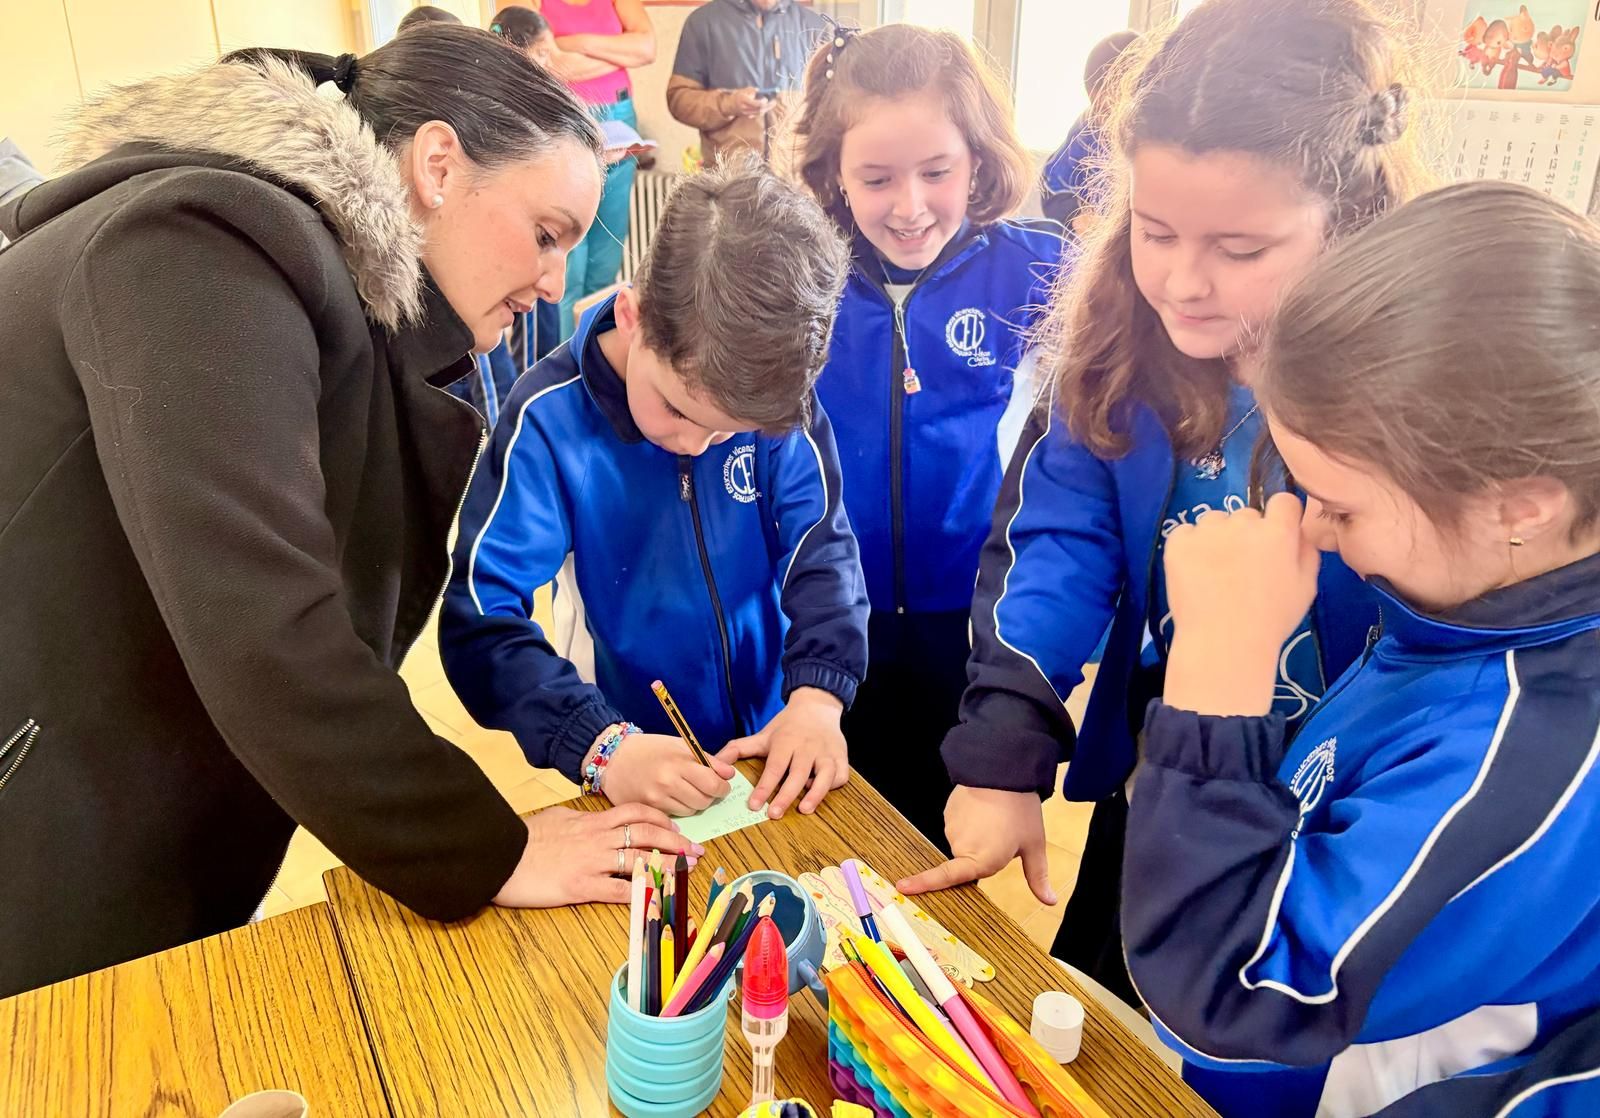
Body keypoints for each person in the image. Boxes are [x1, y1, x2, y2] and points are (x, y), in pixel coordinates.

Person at [0, 26, 698, 1001]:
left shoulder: (298, 266)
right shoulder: (197, 243)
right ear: (439, 163)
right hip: (41, 812)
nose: (552, 282)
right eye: (546, 233)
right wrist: (485, 849)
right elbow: (265, 627)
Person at [897, 0, 1435, 1009]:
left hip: (1357, 816)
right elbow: (1052, 553)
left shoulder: (1412, 380)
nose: (1182, 283)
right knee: (1115, 1019)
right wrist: (1005, 752)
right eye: (1154, 233)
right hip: (1171, 778)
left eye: (1240, 250)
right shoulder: (1121, 356)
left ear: (1350, 219)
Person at [1128, 180, 1600, 1118]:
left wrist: (1217, 673)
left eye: (1341, 506)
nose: (1320, 533)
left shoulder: (1531, 743)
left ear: (1518, 507)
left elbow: (1229, 988)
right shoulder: (1464, 604)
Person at [440, 160, 868, 822]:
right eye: (677, 409)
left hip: (769, 743)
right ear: (633, 316)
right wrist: (601, 745)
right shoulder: (549, 418)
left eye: (731, 433)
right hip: (625, 756)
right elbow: (481, 619)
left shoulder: (776, 399)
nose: (697, 443)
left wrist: (817, 697)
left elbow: (823, 552)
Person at [787, 24, 1064, 849]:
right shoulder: (803, 271)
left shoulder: (1036, 269)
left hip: (971, 618)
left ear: (977, 160)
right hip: (835, 617)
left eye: (937, 172)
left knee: (939, 837)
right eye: (876, 179)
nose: (910, 207)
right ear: (834, 174)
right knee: (839, 824)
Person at [535, 0, 656, 341]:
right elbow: (547, 62)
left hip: (618, 118)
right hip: (562, 122)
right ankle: (562, 366)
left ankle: (591, 353)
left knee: (607, 256)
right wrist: (616, 52)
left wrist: (576, 43)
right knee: (567, 263)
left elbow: (647, 48)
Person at [667, 0, 827, 168]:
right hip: (729, 181)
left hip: (795, 182)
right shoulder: (703, 22)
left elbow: (829, 107)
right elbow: (679, 100)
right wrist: (728, 104)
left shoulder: (813, 26)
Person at [1040, 30, 1137, 230]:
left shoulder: (1158, 137)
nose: (1104, 117)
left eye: (1110, 105)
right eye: (1098, 106)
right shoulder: (1088, 128)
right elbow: (1051, 186)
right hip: (1093, 237)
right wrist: (1075, 216)